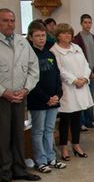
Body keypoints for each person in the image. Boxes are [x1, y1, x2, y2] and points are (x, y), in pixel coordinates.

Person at [0, 9, 41, 182]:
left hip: (19, 96)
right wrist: (3, 92)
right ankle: (5, 173)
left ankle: (20, 169)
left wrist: (25, 89)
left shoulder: (22, 42)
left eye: (13, 20)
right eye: (6, 20)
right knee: (2, 136)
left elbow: (33, 68)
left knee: (18, 133)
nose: (10, 24)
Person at [26, 21, 66, 173]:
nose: (41, 38)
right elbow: (32, 81)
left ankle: (51, 158)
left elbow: (56, 75)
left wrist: (57, 94)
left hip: (53, 99)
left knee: (49, 130)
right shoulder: (29, 55)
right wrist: (45, 98)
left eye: (43, 35)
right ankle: (40, 160)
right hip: (38, 101)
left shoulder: (50, 54)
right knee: (38, 131)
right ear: (30, 37)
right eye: (37, 36)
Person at [50, 23, 93, 160]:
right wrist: (74, 80)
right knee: (65, 119)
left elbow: (86, 65)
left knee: (77, 117)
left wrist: (85, 78)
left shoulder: (77, 47)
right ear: (57, 35)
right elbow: (59, 70)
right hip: (67, 88)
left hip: (81, 86)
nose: (67, 35)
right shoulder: (54, 50)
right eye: (63, 33)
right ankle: (63, 147)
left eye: (69, 32)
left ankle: (76, 144)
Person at [73, 14, 94, 130]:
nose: (87, 25)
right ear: (81, 24)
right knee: (82, 99)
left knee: (90, 99)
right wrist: (86, 74)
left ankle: (90, 121)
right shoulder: (77, 39)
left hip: (93, 73)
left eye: (89, 22)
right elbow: (78, 59)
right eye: (85, 22)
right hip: (82, 75)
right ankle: (81, 123)